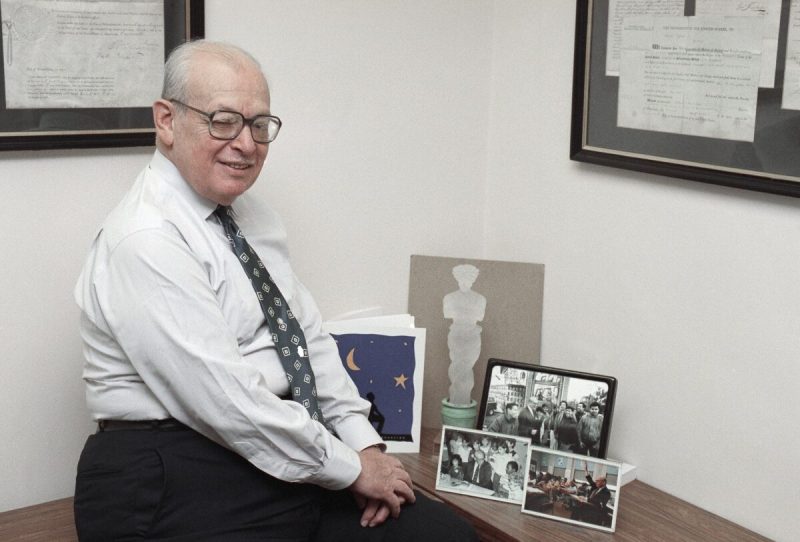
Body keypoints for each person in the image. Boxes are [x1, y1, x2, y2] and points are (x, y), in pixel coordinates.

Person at [72, 40, 477, 542]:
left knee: (445, 535)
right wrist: (348, 469)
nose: (245, 143)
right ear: (166, 121)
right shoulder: (145, 238)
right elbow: (225, 402)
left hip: (272, 443)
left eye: (259, 124)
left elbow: (305, 338)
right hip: (168, 468)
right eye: (222, 120)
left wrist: (362, 445)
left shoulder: (253, 216)